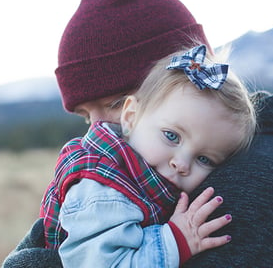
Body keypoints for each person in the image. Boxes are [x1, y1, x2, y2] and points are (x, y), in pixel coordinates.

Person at [3, 0, 273, 267]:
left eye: (114, 103)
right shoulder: (129, 175)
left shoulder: (252, 185)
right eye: (85, 116)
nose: (97, 131)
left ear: (180, 78)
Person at [41, 44, 256, 267]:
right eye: (172, 136)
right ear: (131, 116)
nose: (181, 164)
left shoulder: (142, 177)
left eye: (204, 159)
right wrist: (175, 241)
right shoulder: (103, 190)